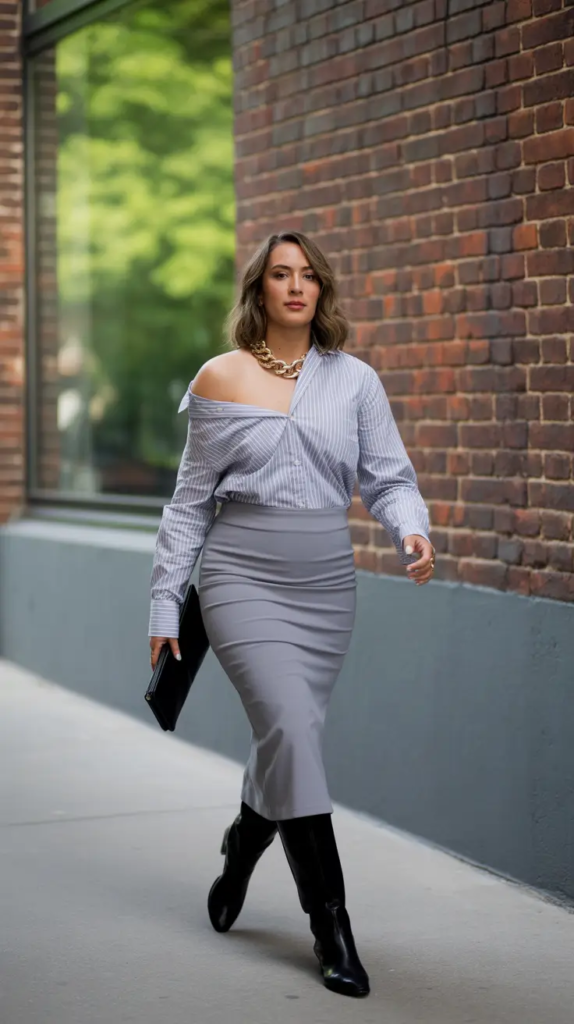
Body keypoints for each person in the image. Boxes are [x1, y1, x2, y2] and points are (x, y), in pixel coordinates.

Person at [148, 230, 434, 999]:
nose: (296, 286)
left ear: (323, 289)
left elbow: (388, 478)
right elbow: (188, 505)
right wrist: (165, 604)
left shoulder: (355, 382)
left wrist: (412, 528)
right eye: (281, 274)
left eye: (309, 275)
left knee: (289, 735)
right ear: (259, 289)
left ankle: (244, 845)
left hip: (323, 585)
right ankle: (331, 926)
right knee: (293, 728)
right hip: (240, 576)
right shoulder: (223, 377)